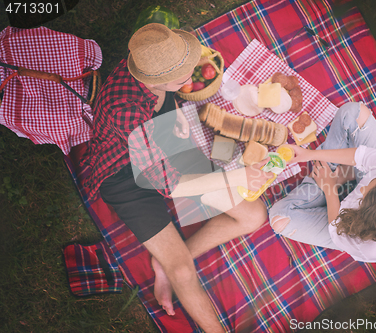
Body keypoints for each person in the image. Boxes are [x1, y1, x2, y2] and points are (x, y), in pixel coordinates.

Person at [81, 23, 273, 332]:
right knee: (182, 271)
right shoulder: (125, 112)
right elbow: (171, 185)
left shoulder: (150, 61)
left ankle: (163, 263)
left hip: (166, 144)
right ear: (161, 80)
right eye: (185, 71)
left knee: (253, 215)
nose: (193, 70)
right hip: (122, 174)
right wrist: (235, 178)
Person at [269, 102, 376, 262]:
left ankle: (328, 178)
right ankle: (336, 171)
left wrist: (329, 188)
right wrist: (309, 155)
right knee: (354, 113)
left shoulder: (366, 246)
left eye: (364, 192)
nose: (362, 187)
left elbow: (336, 225)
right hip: (353, 184)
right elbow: (361, 156)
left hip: (340, 220)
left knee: (279, 218)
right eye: (375, 179)